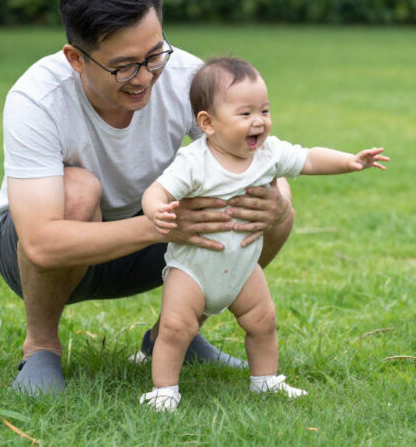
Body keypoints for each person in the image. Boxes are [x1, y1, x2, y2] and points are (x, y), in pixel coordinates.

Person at [0, 0, 295, 396]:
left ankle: (175, 334)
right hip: (41, 251)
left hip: (149, 235)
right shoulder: (36, 98)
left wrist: (276, 202)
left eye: (154, 55)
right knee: (78, 191)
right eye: (124, 66)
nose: (145, 77)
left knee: (270, 203)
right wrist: (159, 225)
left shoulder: (188, 77)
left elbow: (259, 156)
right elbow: (39, 242)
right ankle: (40, 347)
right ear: (75, 58)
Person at [138, 57, 388, 411]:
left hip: (241, 266)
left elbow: (309, 159)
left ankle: (265, 381)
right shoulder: (194, 161)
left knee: (263, 321)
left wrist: (350, 161)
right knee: (176, 328)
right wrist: (155, 208)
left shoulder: (268, 154)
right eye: (245, 114)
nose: (259, 121)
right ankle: (164, 390)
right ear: (207, 123)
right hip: (193, 269)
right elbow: (158, 189)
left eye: (265, 111)